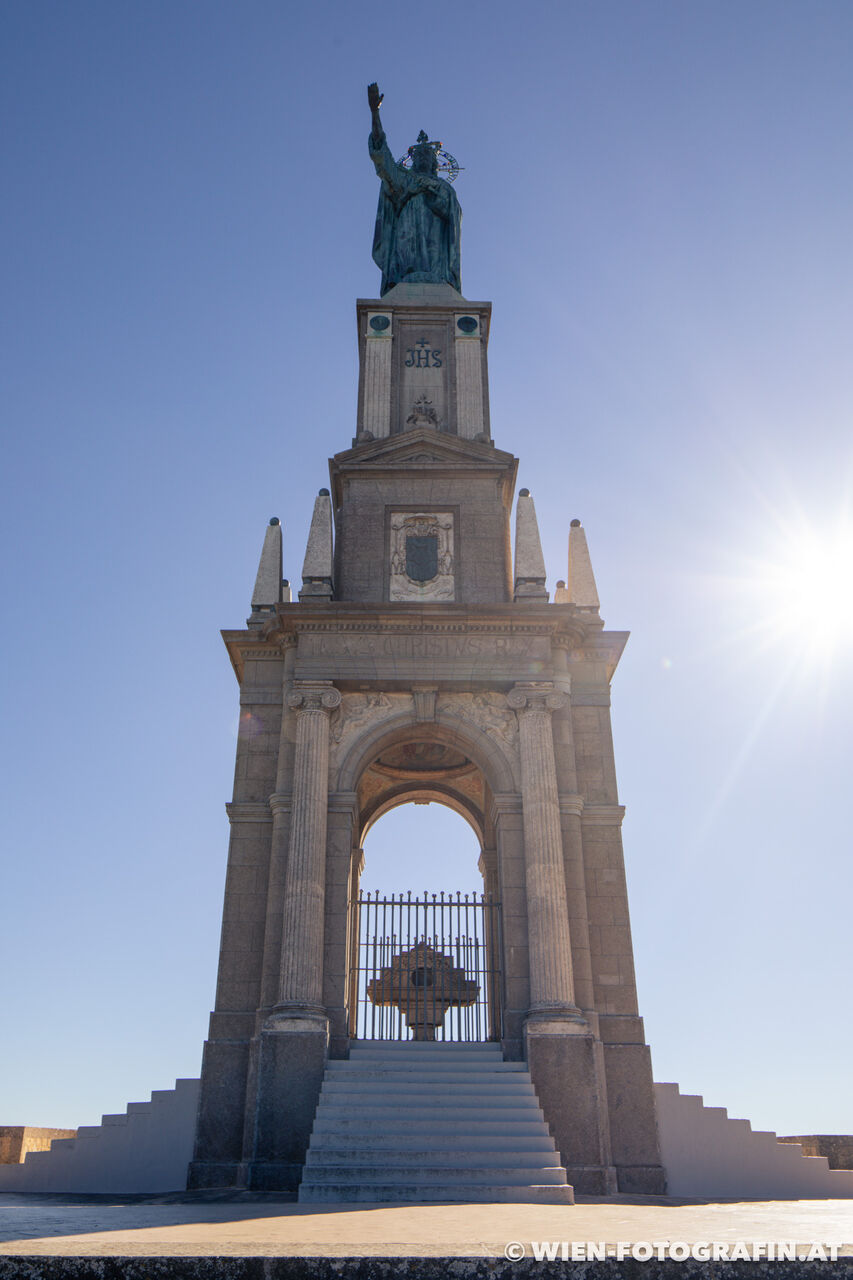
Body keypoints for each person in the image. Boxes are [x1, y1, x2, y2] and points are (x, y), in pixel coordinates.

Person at [368, 82, 461, 295]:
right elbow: (383, 161)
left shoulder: (444, 187)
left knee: (433, 263)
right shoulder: (404, 179)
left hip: (434, 240)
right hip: (406, 236)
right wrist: (375, 115)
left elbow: (451, 213)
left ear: (434, 164)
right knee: (406, 266)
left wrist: (432, 191)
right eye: (418, 157)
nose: (422, 160)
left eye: (426, 157)